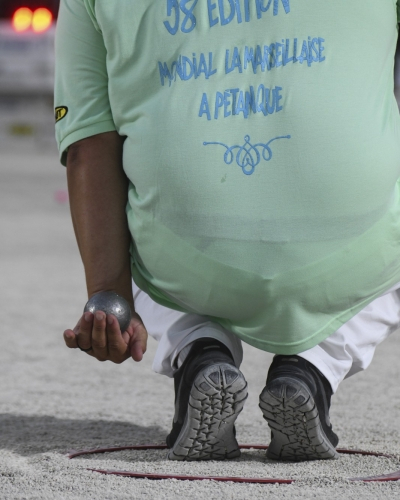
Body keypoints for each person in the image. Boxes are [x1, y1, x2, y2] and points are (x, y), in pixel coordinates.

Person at [55, 0, 400, 462]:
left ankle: (198, 348)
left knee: (139, 219)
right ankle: (314, 369)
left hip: (185, 256)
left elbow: (88, 146)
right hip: (351, 248)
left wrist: (110, 296)